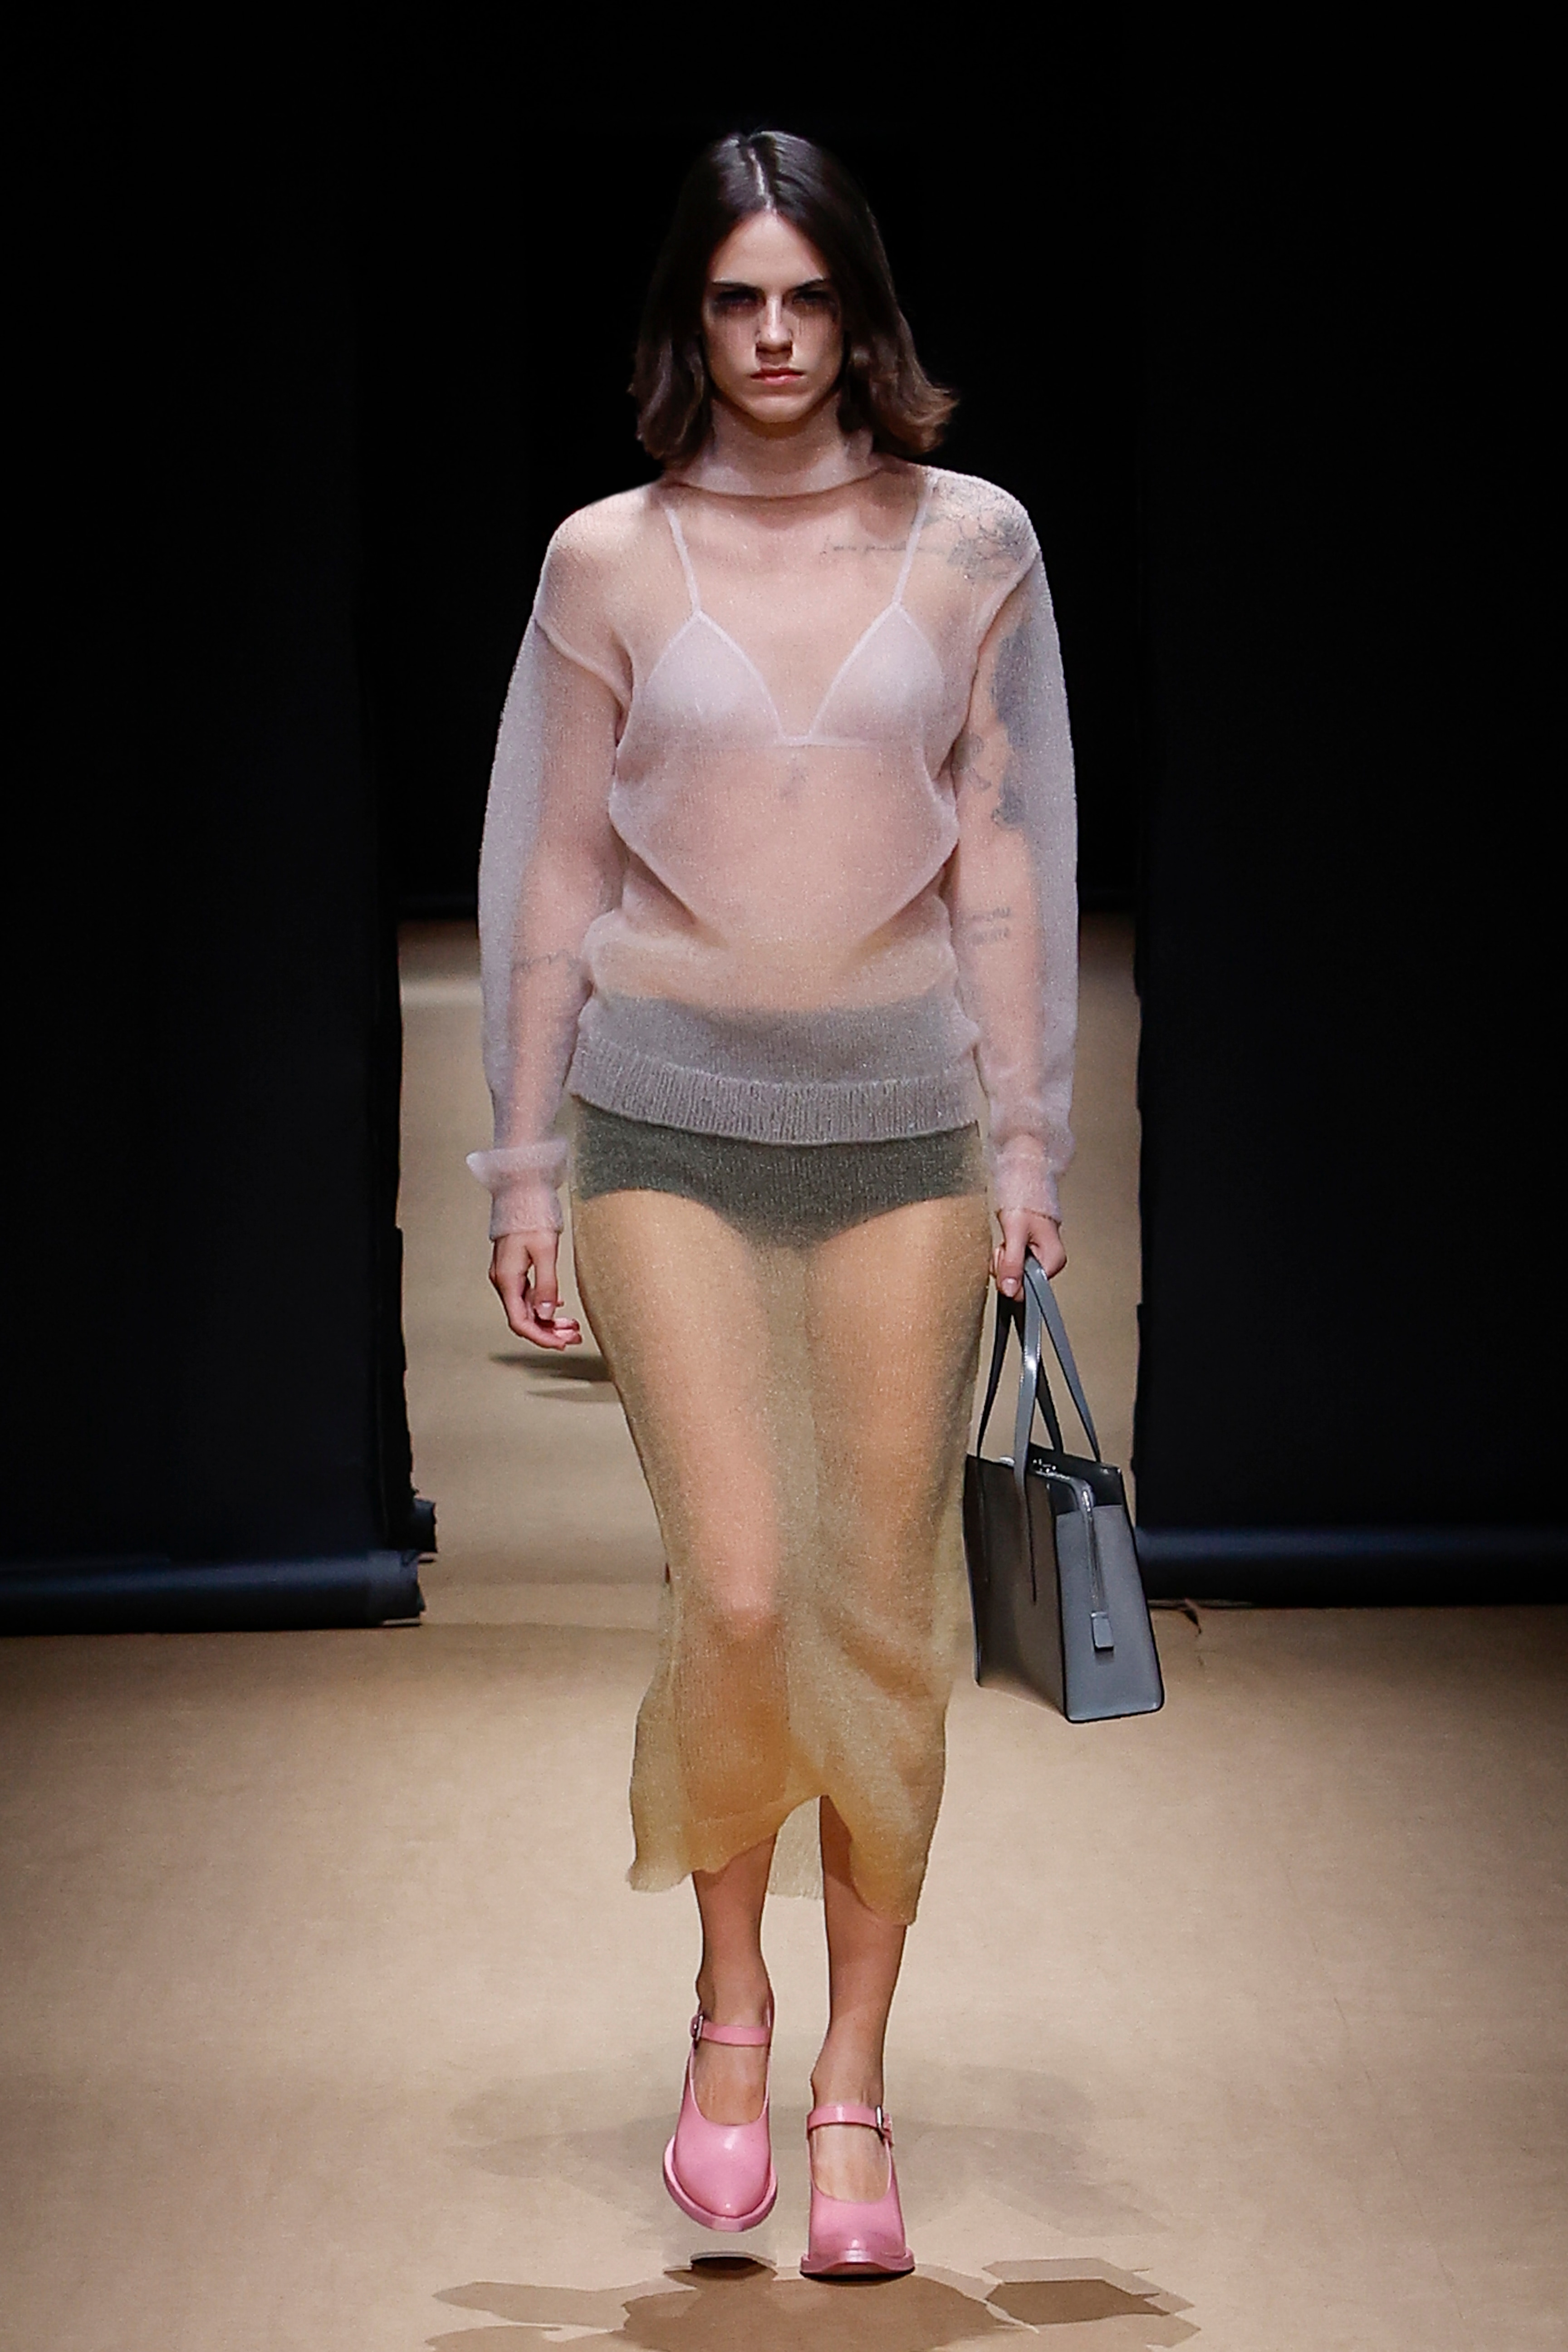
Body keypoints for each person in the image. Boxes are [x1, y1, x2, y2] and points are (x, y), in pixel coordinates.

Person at [469, 129, 1076, 2279]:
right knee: (738, 1591)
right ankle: (731, 2013)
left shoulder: (975, 540)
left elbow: (1004, 852)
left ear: (860, 309)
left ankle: (853, 2087)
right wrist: (523, 1158)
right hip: (666, 1125)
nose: (776, 336)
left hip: (905, 1129)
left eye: (808, 296)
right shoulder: (607, 559)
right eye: (736, 299)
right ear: (688, 320)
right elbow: (553, 866)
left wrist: (1030, 1142)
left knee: (879, 1612)